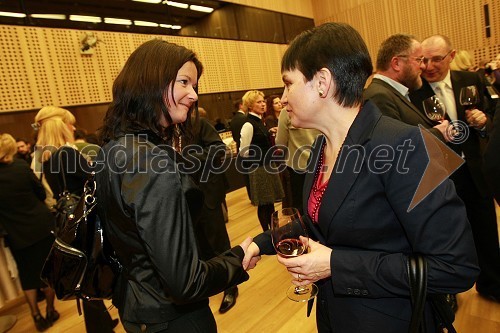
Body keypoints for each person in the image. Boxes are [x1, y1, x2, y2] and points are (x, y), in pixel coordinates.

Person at [242, 23, 479, 332]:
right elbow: (325, 215)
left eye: (288, 84)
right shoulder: (321, 146)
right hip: (336, 316)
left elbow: (455, 267)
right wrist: (263, 243)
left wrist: (335, 265)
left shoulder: (408, 146)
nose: (283, 98)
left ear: (323, 83)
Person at [95, 39, 252, 333]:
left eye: (195, 85)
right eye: (184, 82)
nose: (193, 95)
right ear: (151, 82)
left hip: (136, 306)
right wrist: (237, 260)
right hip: (173, 319)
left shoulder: (113, 148)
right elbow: (185, 282)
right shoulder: (153, 160)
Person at [409, 35, 500, 302]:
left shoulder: (469, 81)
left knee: (485, 228)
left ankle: (492, 283)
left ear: (452, 55)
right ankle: (449, 295)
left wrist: (483, 122)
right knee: (445, 236)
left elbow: (491, 114)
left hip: (474, 170)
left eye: (437, 59)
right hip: (440, 173)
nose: (429, 65)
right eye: (424, 59)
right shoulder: (414, 91)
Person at [32, 106, 117, 333]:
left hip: (67, 221)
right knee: (94, 271)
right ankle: (101, 327)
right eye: (70, 123)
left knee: (86, 270)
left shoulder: (45, 157)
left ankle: (103, 323)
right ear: (61, 126)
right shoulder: (66, 153)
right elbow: (96, 176)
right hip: (85, 219)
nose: (73, 127)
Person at [0, 133, 59, 332]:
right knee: (47, 271)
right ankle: (51, 310)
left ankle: (36, 314)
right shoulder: (21, 167)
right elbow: (41, 193)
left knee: (27, 275)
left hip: (16, 234)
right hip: (40, 226)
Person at [188, 115, 239, 314]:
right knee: (199, 247)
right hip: (185, 201)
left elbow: (219, 149)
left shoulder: (198, 124)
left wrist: (187, 157)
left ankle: (231, 286)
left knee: (219, 244)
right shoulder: (165, 129)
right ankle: (209, 283)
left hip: (207, 195)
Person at [364, 34, 452, 143]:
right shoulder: (379, 96)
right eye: (419, 60)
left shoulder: (395, 93)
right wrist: (437, 134)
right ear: (396, 64)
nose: (424, 66)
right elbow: (396, 147)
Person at [239, 90, 284, 231]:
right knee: (264, 204)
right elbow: (243, 151)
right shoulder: (249, 124)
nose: (263, 104)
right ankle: (267, 233)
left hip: (266, 166)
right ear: (250, 105)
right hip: (259, 168)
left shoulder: (259, 121)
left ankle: (273, 231)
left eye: (263, 101)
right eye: (259, 102)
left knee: (269, 204)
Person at [275, 107, 319, 214]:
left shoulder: (287, 111)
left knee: (299, 204)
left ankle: (303, 229)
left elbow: (280, 143)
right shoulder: (320, 106)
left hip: (297, 167)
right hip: (320, 163)